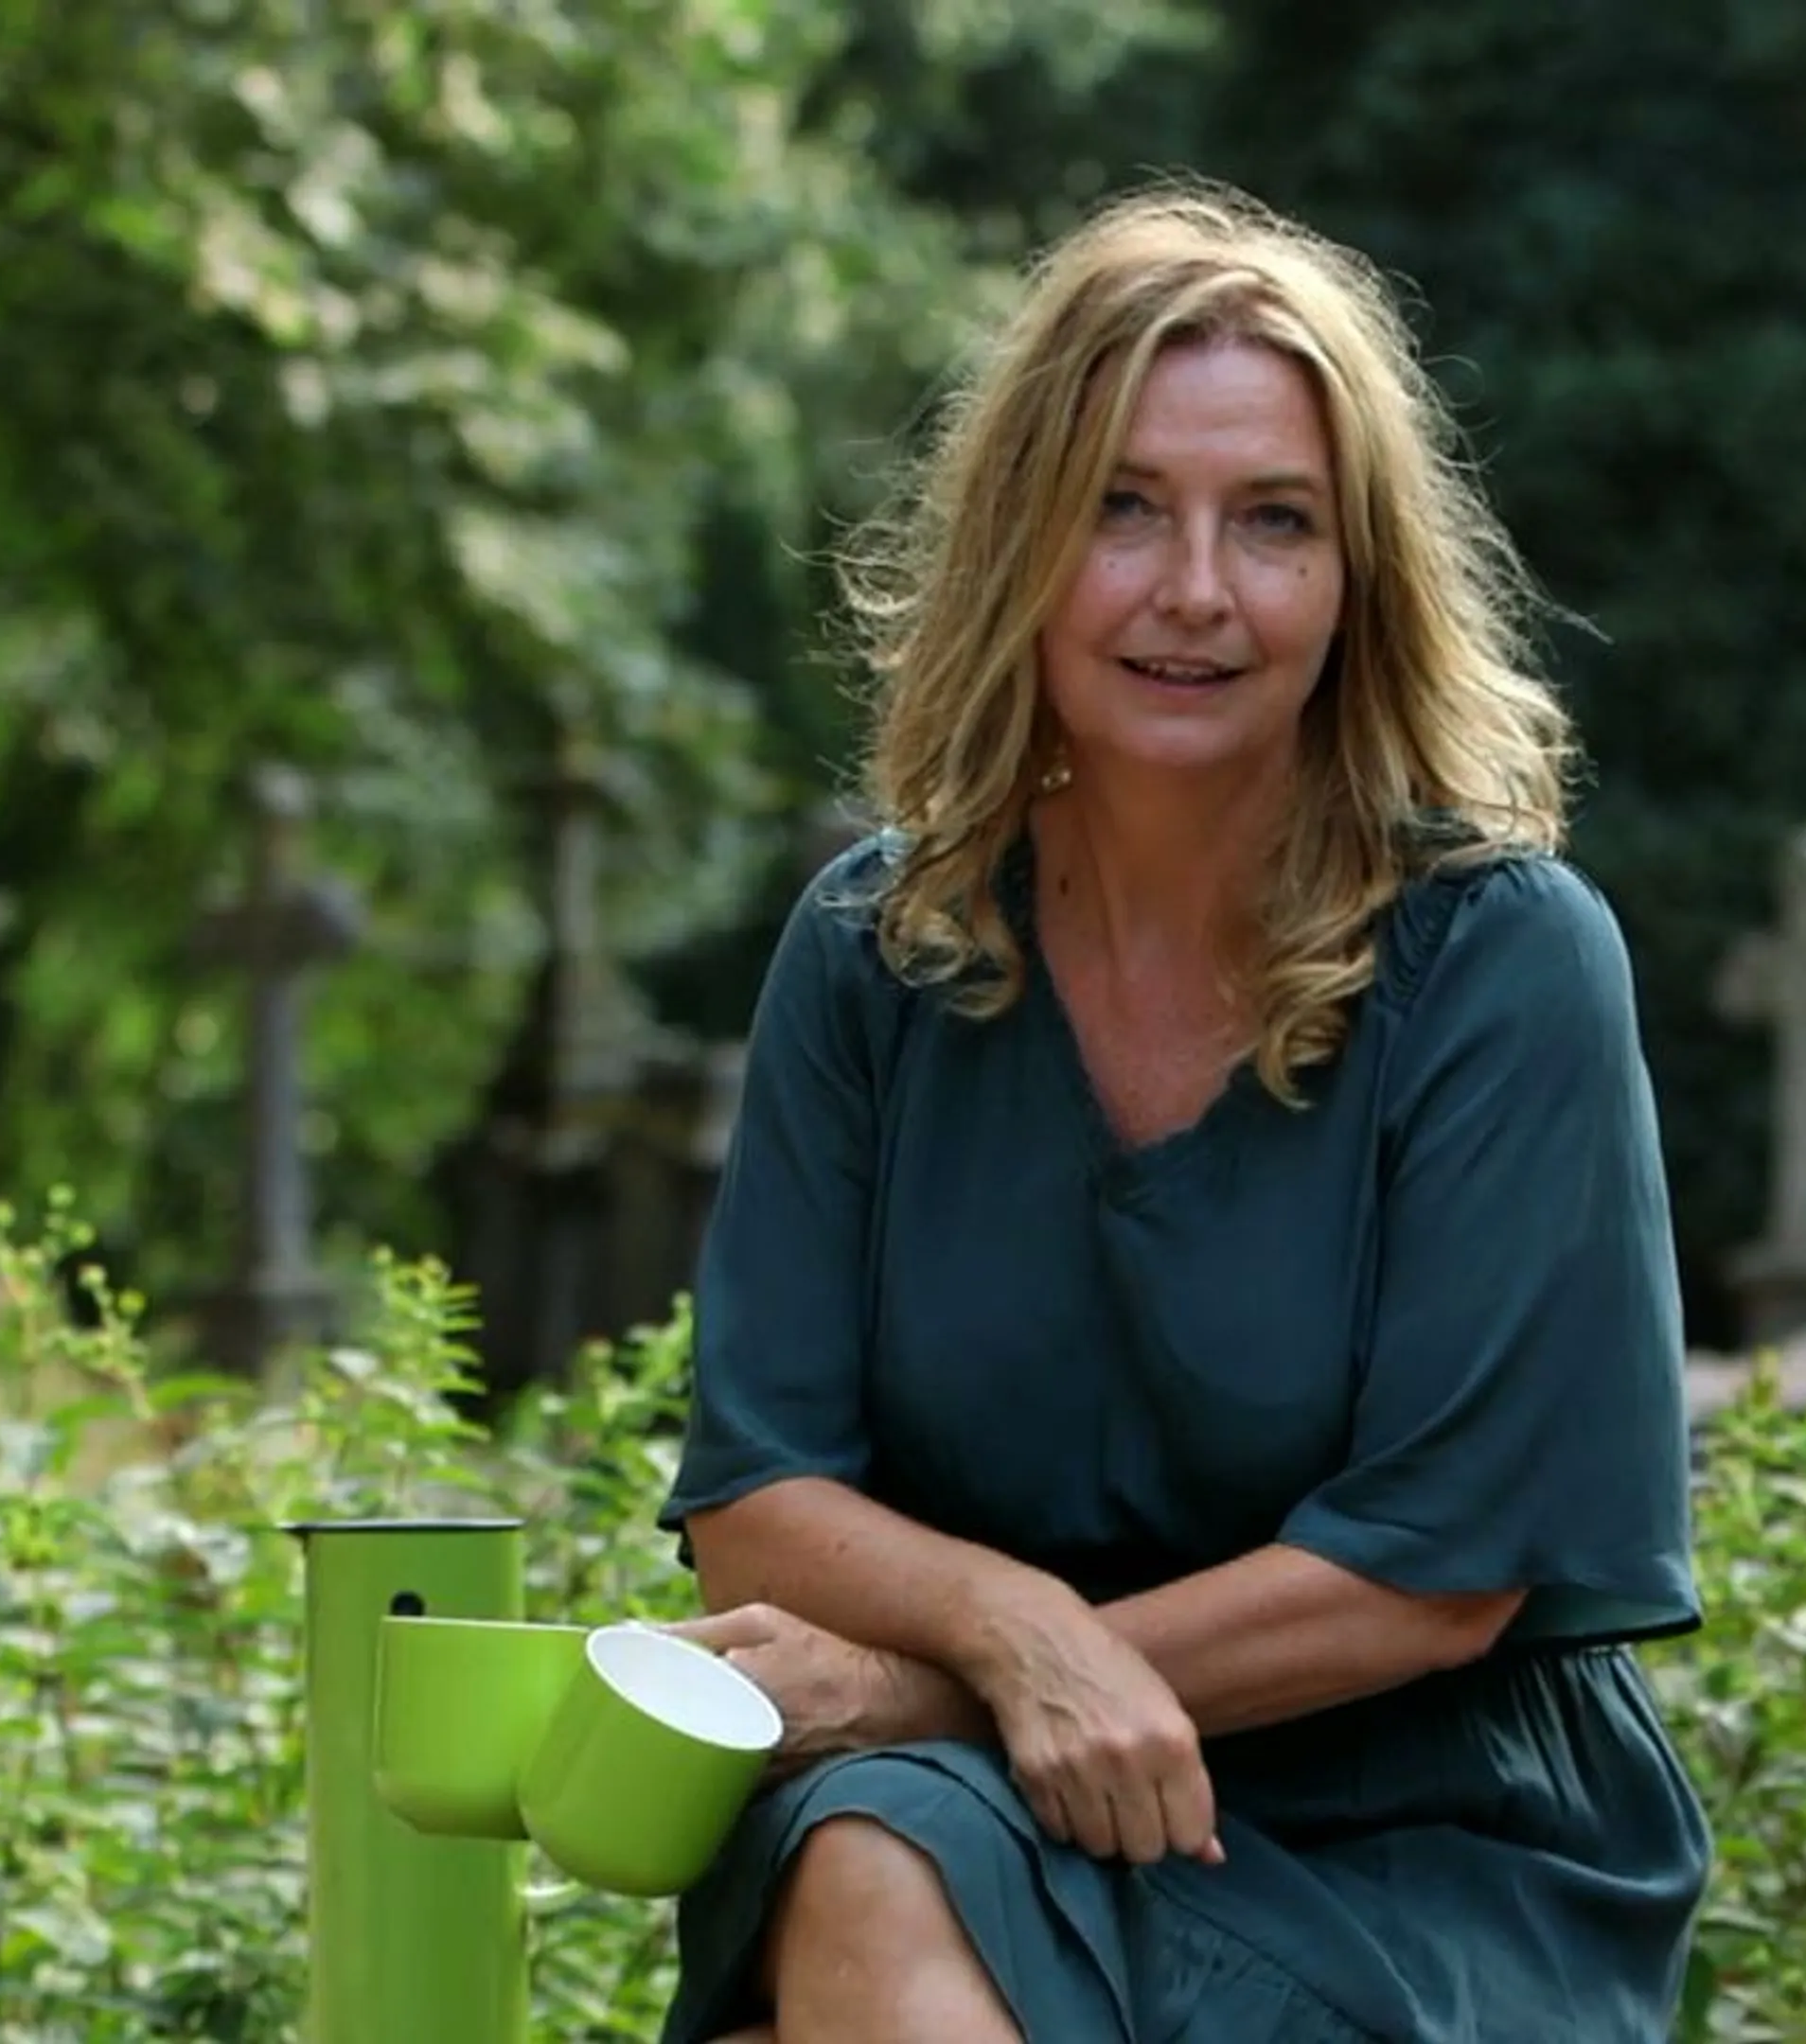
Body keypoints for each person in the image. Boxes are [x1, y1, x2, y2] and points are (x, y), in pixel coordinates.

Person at [651, 181, 1709, 2044]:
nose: (1196, 590)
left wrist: (938, 1689)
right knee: (868, 1863)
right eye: (1123, 509)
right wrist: (1013, 1642)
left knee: (859, 1890)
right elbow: (760, 1501)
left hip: (1420, 1837)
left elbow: (1440, 1574)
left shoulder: (1504, 963)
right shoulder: (879, 953)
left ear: (1356, 582)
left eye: (1273, 521)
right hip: (971, 1808)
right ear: (1023, 543)